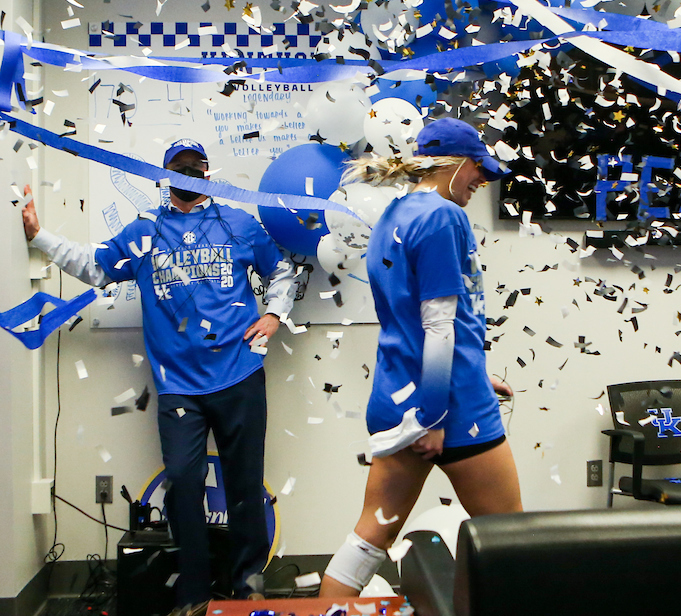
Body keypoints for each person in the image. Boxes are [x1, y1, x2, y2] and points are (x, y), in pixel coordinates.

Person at [23, 139, 297, 606]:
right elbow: (95, 267)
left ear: (208, 175)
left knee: (245, 484)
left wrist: (274, 315)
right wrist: (38, 236)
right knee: (184, 483)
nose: (187, 175)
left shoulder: (238, 223)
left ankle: (248, 586)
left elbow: (283, 271)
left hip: (239, 375)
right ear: (164, 176)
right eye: (178, 168)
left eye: (195, 168)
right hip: (178, 388)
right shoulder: (145, 231)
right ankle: (193, 591)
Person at [320, 117, 522, 597]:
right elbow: (438, 325)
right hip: (448, 408)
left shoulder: (394, 214)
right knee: (514, 541)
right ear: (453, 164)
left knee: (371, 536)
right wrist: (436, 413)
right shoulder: (442, 217)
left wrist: (475, 370)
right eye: (478, 168)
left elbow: (416, 319)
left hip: (398, 394)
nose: (483, 180)